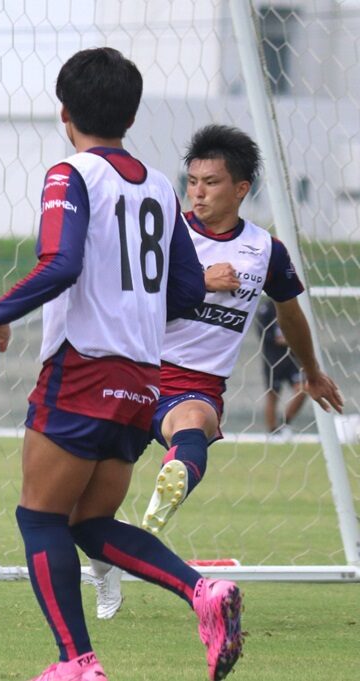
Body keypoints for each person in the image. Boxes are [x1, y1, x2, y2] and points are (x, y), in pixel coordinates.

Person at [0, 48, 244, 681]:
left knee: (39, 517)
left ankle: (77, 663)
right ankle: (202, 591)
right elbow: (189, 290)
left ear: (64, 112)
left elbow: (60, 264)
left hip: (84, 368)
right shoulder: (161, 186)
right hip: (144, 379)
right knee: (89, 522)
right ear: (131, 115)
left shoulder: (71, 174)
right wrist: (133, 308)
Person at [88, 124, 344, 621]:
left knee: (195, 424)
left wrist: (312, 372)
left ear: (241, 188)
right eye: (192, 181)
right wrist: (200, 281)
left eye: (211, 182)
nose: (197, 192)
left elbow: (291, 314)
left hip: (196, 382)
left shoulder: (265, 250)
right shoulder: (165, 233)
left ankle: (173, 483)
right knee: (89, 506)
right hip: (134, 368)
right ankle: (104, 565)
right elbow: (120, 298)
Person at [255, 296, 306, 439]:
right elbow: (263, 333)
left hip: (293, 358)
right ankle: (272, 432)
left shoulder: (293, 305)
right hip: (273, 359)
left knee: (302, 389)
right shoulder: (266, 309)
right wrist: (280, 340)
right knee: (273, 395)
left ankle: (285, 422)